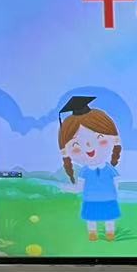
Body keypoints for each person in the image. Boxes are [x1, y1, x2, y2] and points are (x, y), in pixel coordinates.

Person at [57, 95, 123, 242]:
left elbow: (116, 182)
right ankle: (92, 234)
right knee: (91, 218)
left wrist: (114, 193)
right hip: (90, 199)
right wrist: (68, 189)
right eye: (76, 144)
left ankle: (110, 234)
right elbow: (80, 186)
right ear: (66, 151)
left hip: (108, 198)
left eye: (99, 138)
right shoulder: (85, 171)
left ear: (114, 139)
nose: (88, 146)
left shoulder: (109, 169)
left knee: (109, 217)